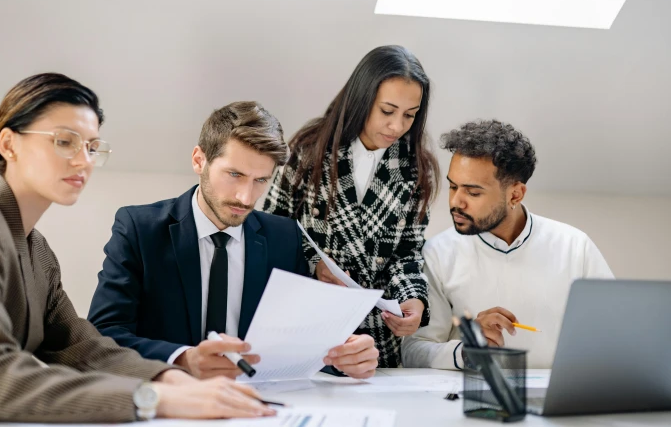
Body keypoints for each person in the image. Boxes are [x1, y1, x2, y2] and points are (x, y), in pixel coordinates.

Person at [0, 74, 274, 425]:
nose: (83, 160)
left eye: (91, 146)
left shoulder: (35, 245)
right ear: (9, 144)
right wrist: (154, 397)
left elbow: (81, 347)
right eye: (64, 141)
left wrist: (172, 377)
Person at [88, 101, 379, 380]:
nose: (246, 197)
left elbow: (300, 344)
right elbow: (104, 334)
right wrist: (183, 359)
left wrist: (344, 358)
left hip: (259, 406)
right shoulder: (140, 229)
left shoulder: (284, 238)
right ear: (199, 160)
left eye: (260, 180)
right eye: (234, 175)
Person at [263, 45, 440, 368]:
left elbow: (409, 251)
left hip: (376, 337)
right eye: (387, 110)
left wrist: (413, 298)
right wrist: (315, 263)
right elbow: (271, 230)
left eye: (409, 115)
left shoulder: (416, 168)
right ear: (362, 98)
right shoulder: (309, 149)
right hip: (310, 320)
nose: (397, 126)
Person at [402, 120, 614, 370]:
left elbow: (615, 334)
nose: (456, 201)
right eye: (453, 186)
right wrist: (467, 349)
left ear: (515, 194)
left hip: (559, 399)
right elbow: (413, 351)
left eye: (473, 192)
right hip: (472, 400)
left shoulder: (575, 247)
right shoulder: (437, 253)